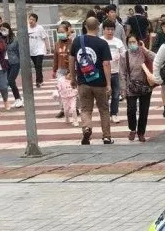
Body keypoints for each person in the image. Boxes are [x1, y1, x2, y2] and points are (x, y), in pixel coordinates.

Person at [69, 17, 114, 145]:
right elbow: (106, 64)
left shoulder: (77, 41)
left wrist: (73, 78)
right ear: (99, 27)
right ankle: (106, 137)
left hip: (83, 81)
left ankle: (87, 128)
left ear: (85, 26)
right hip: (100, 82)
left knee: (85, 109)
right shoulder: (102, 43)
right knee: (104, 110)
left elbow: (72, 60)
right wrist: (109, 84)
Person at [121, 34, 156, 142]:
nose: (132, 44)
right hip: (131, 86)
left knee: (144, 111)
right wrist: (123, 88)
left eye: (134, 42)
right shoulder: (124, 55)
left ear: (138, 42)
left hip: (145, 86)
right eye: (130, 42)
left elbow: (156, 58)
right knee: (131, 109)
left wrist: (145, 49)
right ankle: (132, 129)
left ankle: (141, 132)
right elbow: (122, 73)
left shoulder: (143, 53)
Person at [102, 19, 127, 124]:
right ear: (103, 30)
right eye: (108, 29)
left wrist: (121, 56)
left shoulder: (118, 41)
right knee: (104, 95)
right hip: (103, 73)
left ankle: (114, 113)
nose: (110, 31)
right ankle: (105, 114)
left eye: (112, 29)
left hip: (116, 72)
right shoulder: (100, 41)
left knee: (116, 94)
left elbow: (124, 54)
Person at [53, 21, 76, 121]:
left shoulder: (73, 43)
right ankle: (63, 109)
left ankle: (75, 108)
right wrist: (54, 70)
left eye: (62, 31)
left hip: (71, 69)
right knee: (61, 90)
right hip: (61, 70)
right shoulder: (57, 44)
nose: (60, 33)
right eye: (59, 32)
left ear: (68, 32)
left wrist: (73, 71)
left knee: (73, 89)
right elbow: (55, 58)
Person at [27, 13, 50, 88]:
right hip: (31, 50)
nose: (31, 21)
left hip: (40, 49)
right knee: (36, 66)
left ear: (36, 21)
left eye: (33, 20)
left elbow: (45, 38)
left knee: (38, 65)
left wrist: (48, 48)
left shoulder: (40, 28)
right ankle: (41, 79)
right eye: (30, 19)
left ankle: (38, 81)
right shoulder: (27, 28)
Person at [3, 23, 23, 110]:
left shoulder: (15, 40)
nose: (3, 31)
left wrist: (22, 62)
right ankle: (17, 99)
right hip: (6, 63)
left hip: (15, 62)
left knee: (10, 80)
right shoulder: (2, 40)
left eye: (5, 29)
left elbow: (20, 52)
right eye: (2, 30)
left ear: (9, 29)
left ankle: (18, 98)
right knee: (10, 82)